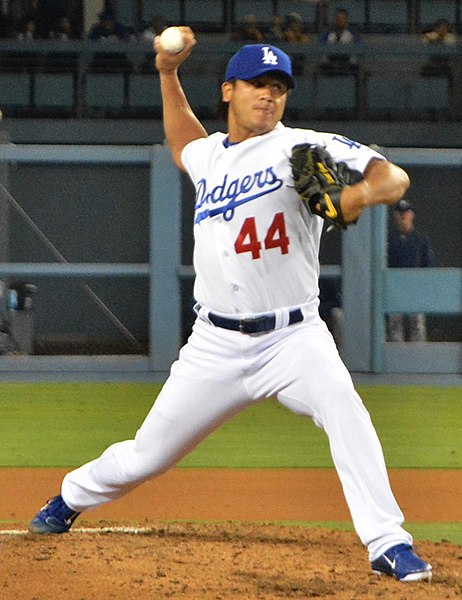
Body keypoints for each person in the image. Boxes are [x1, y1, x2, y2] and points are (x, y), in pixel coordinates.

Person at [28, 34, 432, 584]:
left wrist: (352, 197)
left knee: (345, 408)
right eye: (256, 85)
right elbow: (181, 142)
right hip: (214, 345)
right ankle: (71, 496)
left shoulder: (303, 147)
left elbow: (393, 178)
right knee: (148, 456)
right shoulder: (211, 157)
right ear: (228, 91)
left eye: (278, 88)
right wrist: (167, 74)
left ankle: (388, 543)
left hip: (294, 338)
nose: (268, 96)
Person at [387, 199, 436, 342]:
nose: (403, 216)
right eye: (400, 213)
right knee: (395, 325)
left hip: (416, 288)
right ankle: (396, 358)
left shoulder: (420, 239)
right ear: (395, 215)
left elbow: (428, 264)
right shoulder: (390, 239)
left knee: (417, 325)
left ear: (411, 215)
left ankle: (419, 356)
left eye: (406, 213)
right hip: (395, 289)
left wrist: (424, 285)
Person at [319, 7, 361, 73]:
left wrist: (349, 47)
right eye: (338, 18)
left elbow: (358, 44)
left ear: (346, 19)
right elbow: (321, 42)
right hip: (331, 55)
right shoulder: (328, 31)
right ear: (335, 19)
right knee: (323, 61)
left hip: (347, 55)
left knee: (355, 62)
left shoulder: (353, 31)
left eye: (342, 18)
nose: (340, 20)